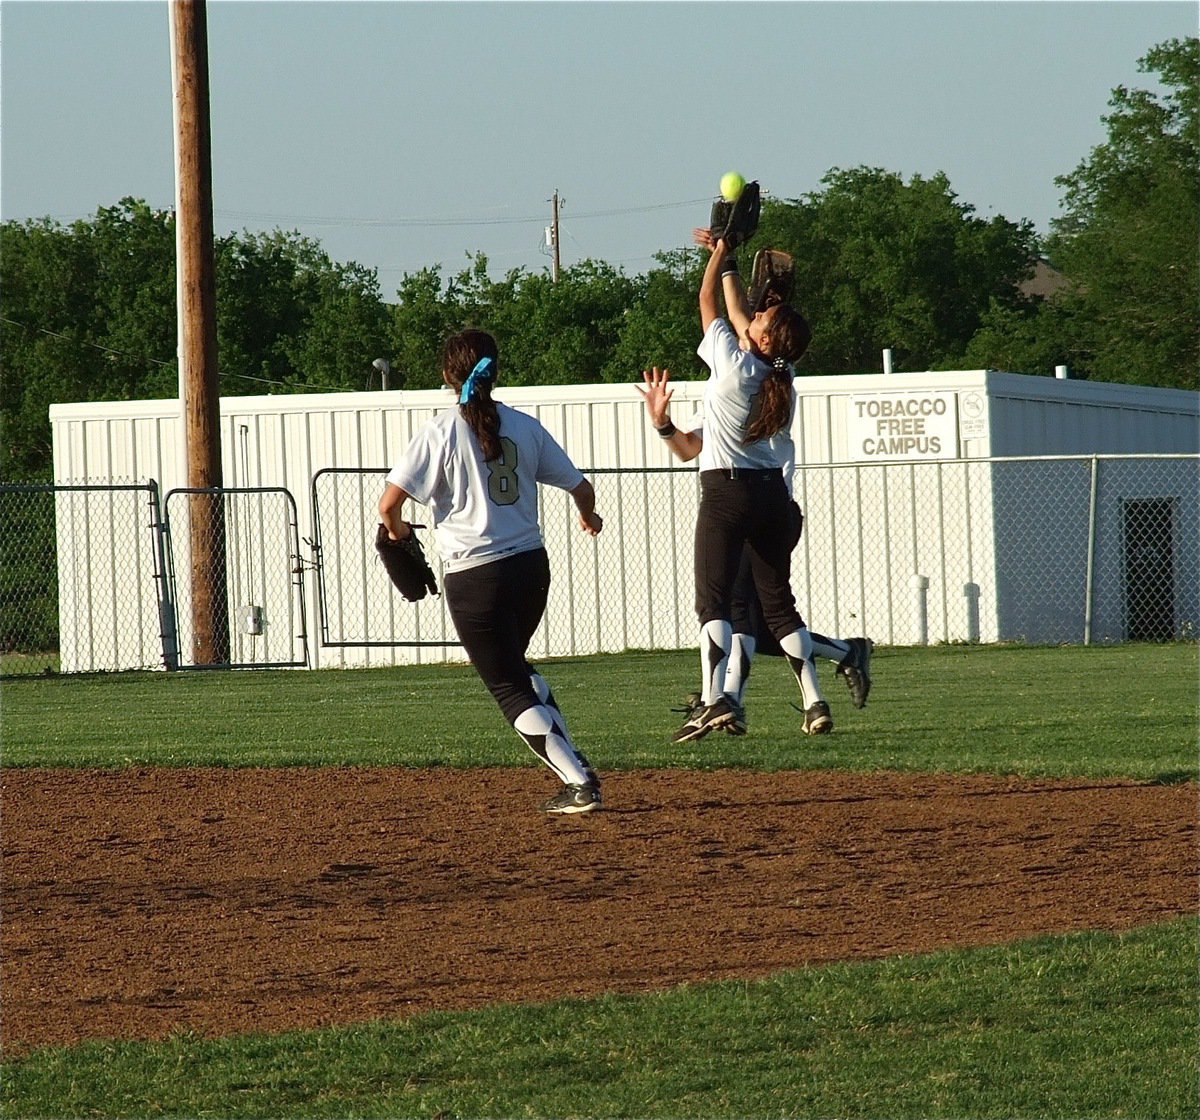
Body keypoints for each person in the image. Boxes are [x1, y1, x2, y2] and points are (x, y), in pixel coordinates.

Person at [379, 329, 605, 815]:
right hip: (531, 569)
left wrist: (398, 534)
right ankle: (574, 762)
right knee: (516, 669)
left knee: (507, 688)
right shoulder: (524, 426)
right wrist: (588, 516)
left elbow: (388, 507)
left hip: (475, 579)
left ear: (447, 375)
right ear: (495, 373)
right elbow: (581, 487)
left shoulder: (440, 430)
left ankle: (578, 782)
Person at [646, 225, 840, 741]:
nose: (753, 316)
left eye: (762, 319)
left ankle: (715, 701)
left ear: (765, 339)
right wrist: (725, 257)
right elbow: (737, 315)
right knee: (776, 609)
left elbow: (708, 301)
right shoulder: (782, 378)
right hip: (773, 498)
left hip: (728, 494)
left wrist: (721, 255)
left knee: (714, 605)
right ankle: (809, 701)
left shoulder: (732, 369)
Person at [639, 366, 872, 736]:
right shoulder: (751, 388)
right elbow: (688, 447)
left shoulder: (747, 388)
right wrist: (663, 424)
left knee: (740, 613)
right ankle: (832, 674)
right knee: (767, 622)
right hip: (776, 508)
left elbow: (696, 444)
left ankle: (726, 701)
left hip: (757, 506)